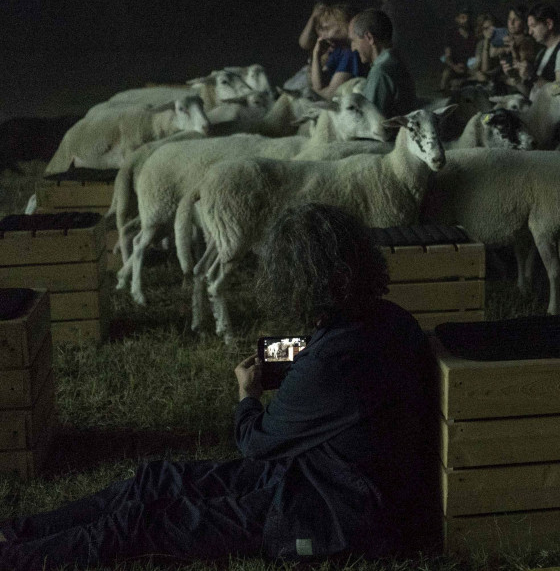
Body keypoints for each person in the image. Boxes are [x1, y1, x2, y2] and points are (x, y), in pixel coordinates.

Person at [0, 204, 432, 569]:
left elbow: (256, 442)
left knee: (144, 521)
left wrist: (247, 394)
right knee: (155, 478)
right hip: (320, 473)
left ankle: (16, 558)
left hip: (328, 515)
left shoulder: (329, 365)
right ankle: (14, 534)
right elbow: (341, 371)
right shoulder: (388, 318)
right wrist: (302, 359)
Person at [350, 9, 416, 117]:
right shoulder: (395, 60)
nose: (353, 48)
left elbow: (369, 119)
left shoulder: (380, 71)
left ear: (369, 38)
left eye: (354, 41)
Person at [283, 3, 357, 95]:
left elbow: (327, 94)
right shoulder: (338, 51)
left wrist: (318, 91)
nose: (322, 35)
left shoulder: (350, 55)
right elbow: (317, 85)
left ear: (343, 24)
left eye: (326, 28)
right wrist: (316, 54)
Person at [498, 4, 539, 95]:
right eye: (509, 19)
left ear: (524, 22)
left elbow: (522, 74)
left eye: (516, 19)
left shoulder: (528, 42)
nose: (511, 23)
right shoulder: (506, 41)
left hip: (522, 92)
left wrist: (513, 51)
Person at [439, 9, 476, 92]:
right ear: (457, 19)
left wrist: (468, 66)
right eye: (463, 17)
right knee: (446, 74)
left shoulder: (474, 33)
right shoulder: (451, 34)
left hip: (471, 66)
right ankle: (444, 93)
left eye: (467, 17)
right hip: (455, 65)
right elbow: (447, 56)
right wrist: (454, 67)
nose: (465, 20)